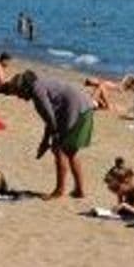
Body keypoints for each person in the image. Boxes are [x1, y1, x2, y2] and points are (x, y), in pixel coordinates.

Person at [14, 70, 94, 199]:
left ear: (25, 86)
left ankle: (59, 191)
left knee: (59, 150)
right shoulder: (41, 85)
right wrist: (45, 142)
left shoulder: (37, 92)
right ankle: (79, 190)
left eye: (19, 92)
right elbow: (50, 118)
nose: (19, 97)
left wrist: (50, 140)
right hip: (85, 108)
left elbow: (50, 117)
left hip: (75, 111)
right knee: (71, 151)